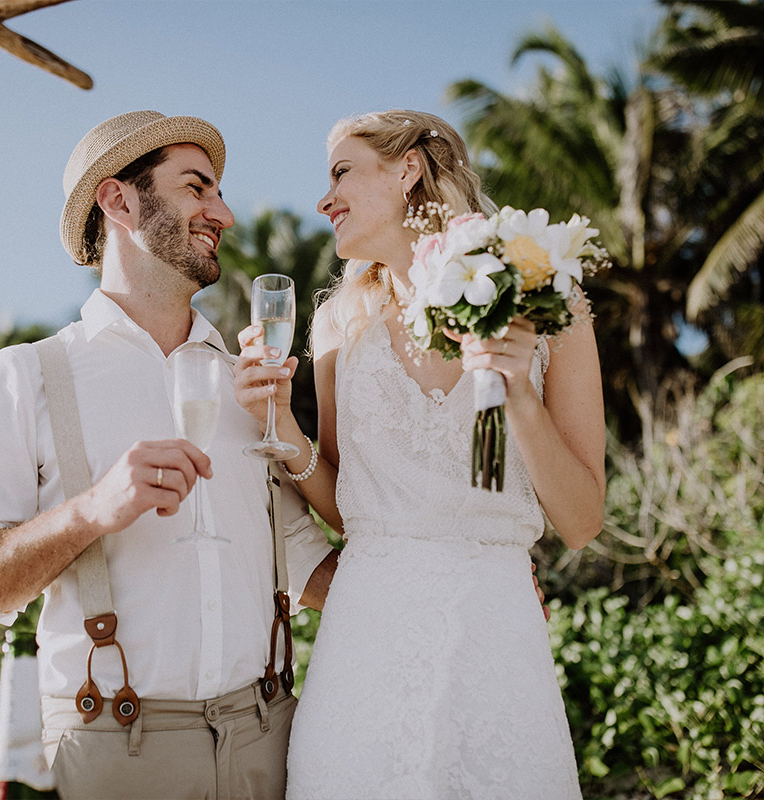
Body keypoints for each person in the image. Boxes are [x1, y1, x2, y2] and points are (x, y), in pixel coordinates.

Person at [0, 110, 339, 800]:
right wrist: (90, 511)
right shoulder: (28, 375)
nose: (225, 213)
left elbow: (302, 566)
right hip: (110, 759)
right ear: (119, 200)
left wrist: (458, 577)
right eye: (197, 188)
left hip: (271, 745)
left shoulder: (249, 382)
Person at [233, 110, 605, 798]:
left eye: (342, 171)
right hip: (364, 638)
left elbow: (581, 522)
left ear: (407, 171)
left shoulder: (551, 301)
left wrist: (517, 390)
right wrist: (284, 427)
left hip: (494, 633)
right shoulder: (339, 322)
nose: (324, 198)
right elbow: (350, 509)